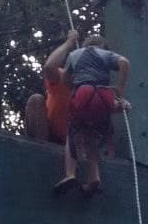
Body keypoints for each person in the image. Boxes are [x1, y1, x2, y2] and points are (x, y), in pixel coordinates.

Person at [57, 35, 131, 196]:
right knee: (91, 136)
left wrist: (74, 85)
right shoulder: (105, 54)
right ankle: (94, 177)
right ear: (103, 45)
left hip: (84, 92)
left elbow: (64, 78)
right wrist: (120, 90)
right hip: (104, 96)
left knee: (73, 133)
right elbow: (124, 62)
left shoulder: (75, 54)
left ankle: (70, 174)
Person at [24, 28, 79, 145]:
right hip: (49, 135)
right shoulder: (62, 76)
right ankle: (42, 148)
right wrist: (70, 42)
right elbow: (49, 66)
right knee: (36, 99)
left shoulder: (91, 87)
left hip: (75, 142)